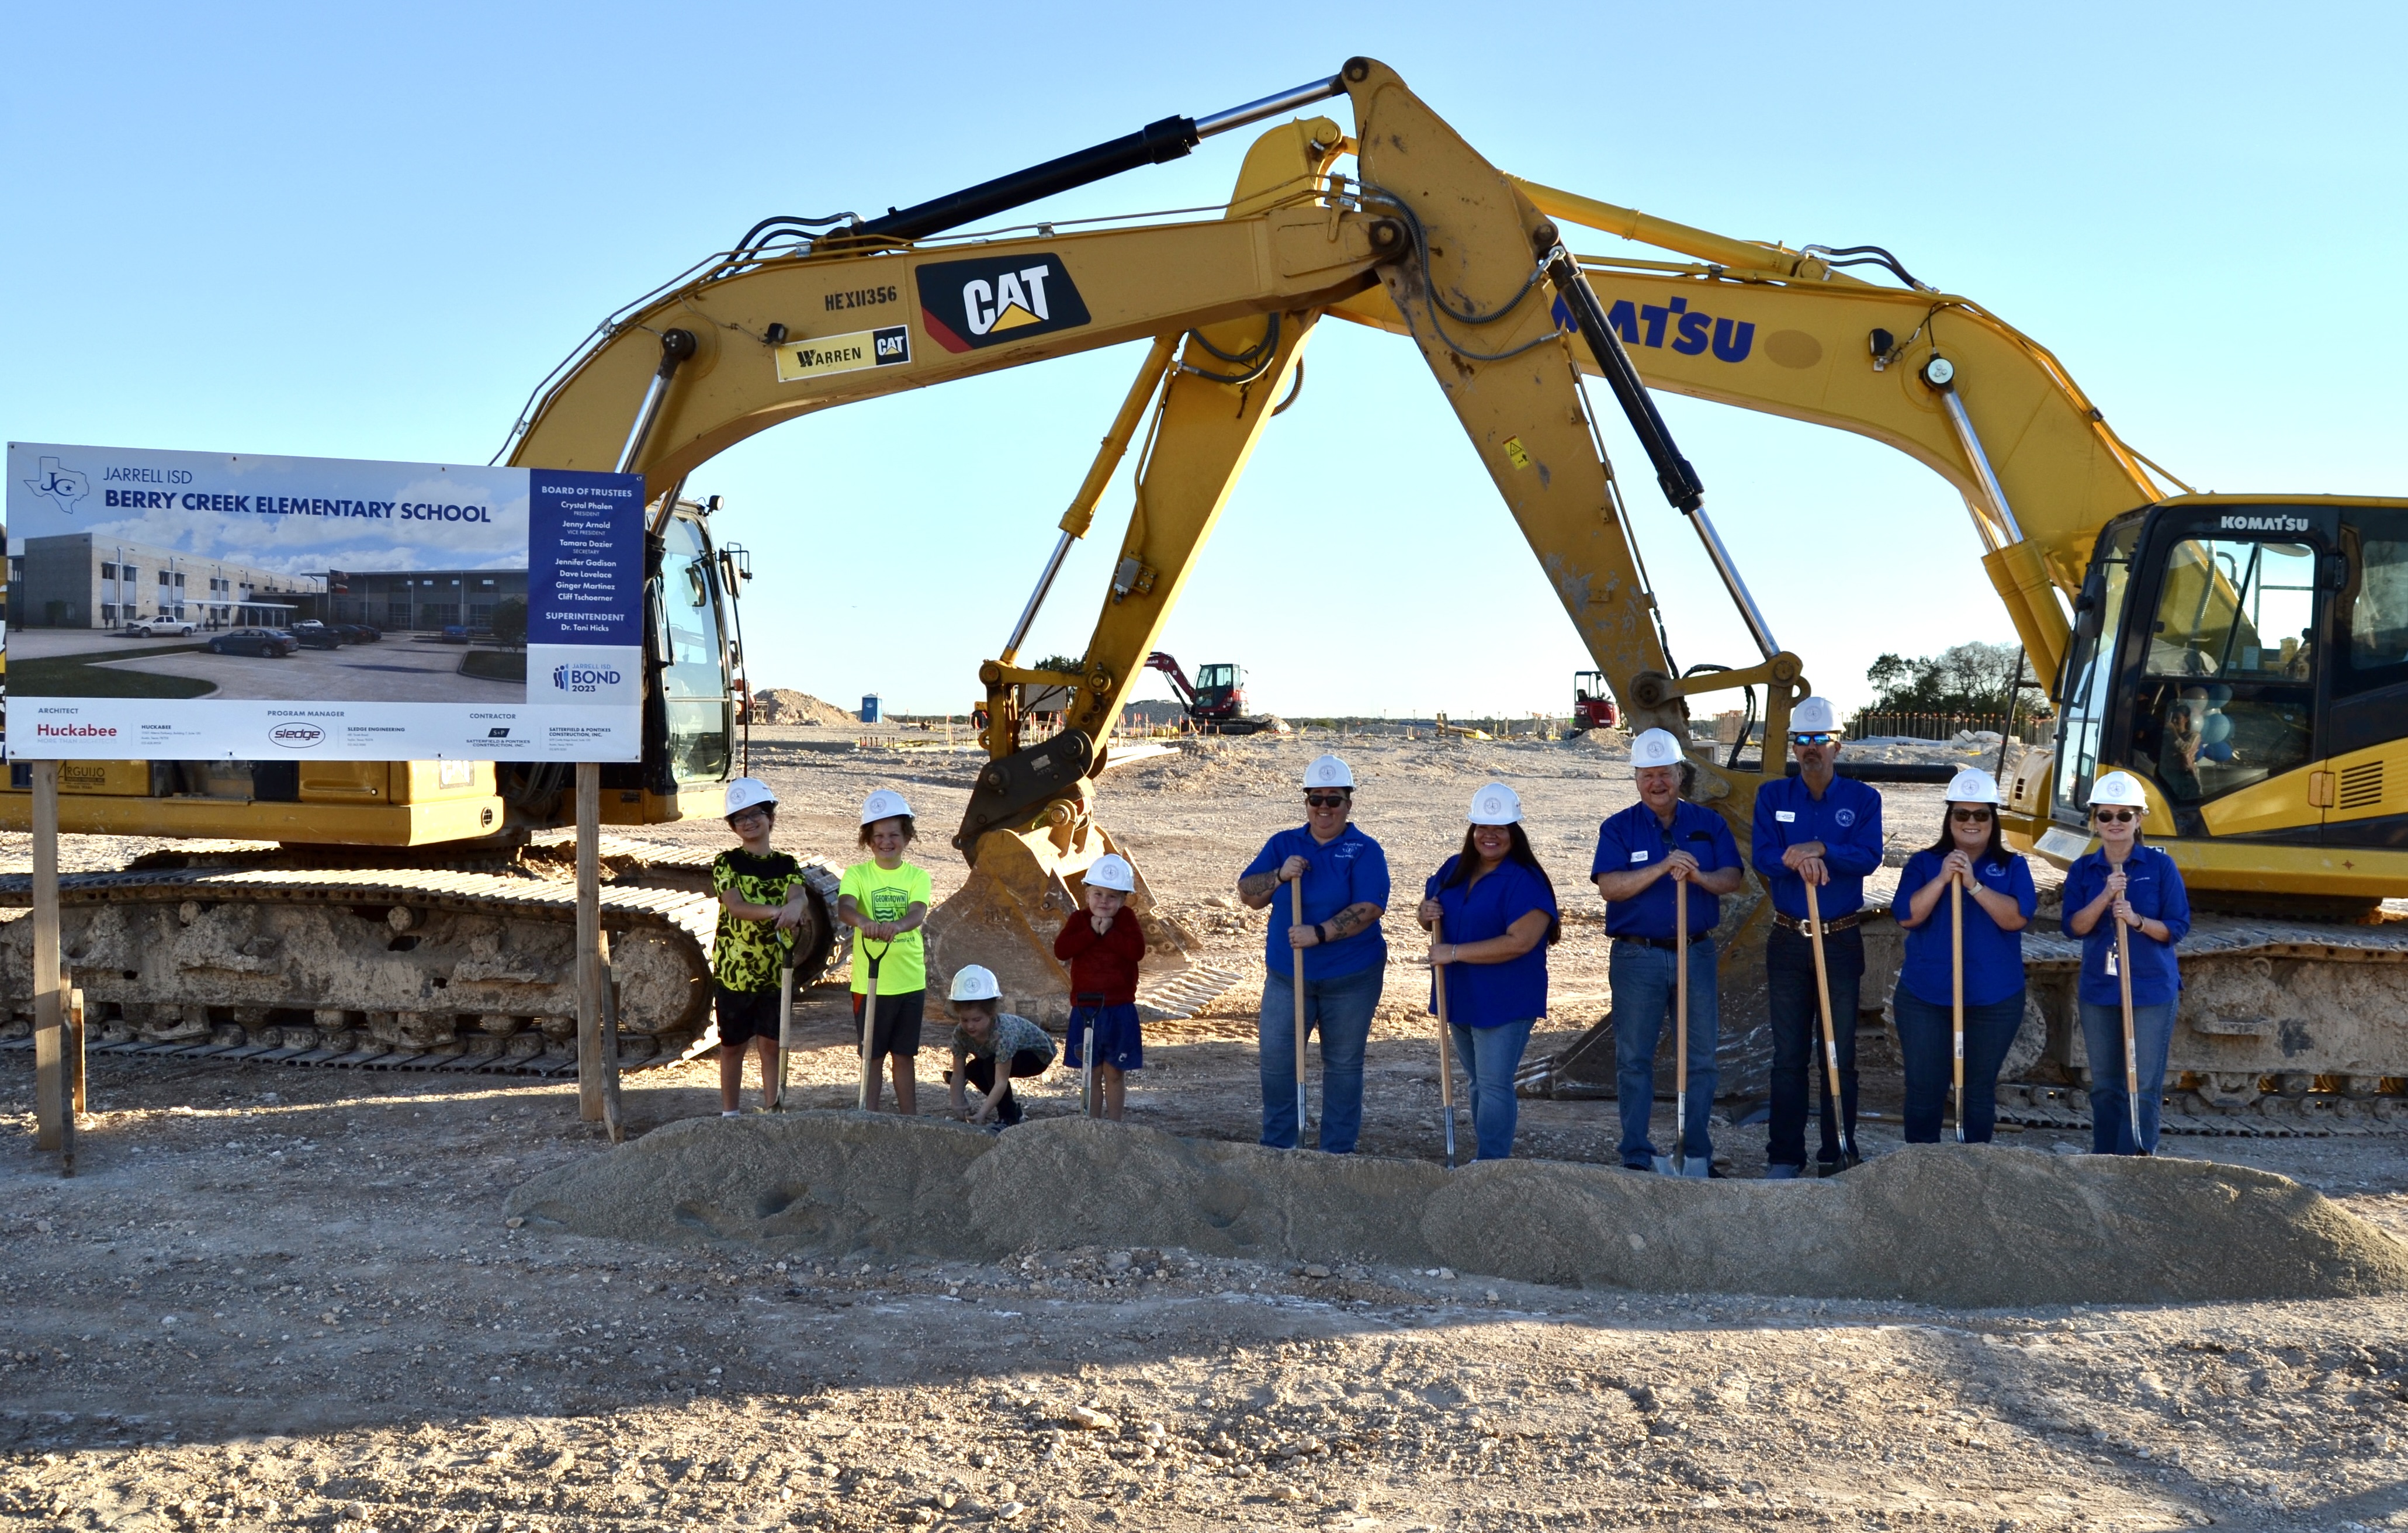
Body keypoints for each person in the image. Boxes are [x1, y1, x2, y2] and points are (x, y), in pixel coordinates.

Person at [1590, 729, 1744, 1172]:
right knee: (1634, 1058)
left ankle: (1694, 1151)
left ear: (1680, 774)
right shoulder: (1618, 827)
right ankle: (1637, 1152)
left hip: (1694, 953)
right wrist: (1661, 867)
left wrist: (1698, 877)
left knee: (1699, 1058)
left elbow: (1731, 878)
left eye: (1665, 774)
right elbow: (1610, 887)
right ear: (1636, 779)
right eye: (1648, 775)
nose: (1657, 782)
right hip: (1636, 957)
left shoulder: (1708, 823)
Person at [1752, 695, 1885, 1178]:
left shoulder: (1862, 799)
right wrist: (1794, 856)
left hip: (1839, 939)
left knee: (1838, 1051)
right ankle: (1784, 1156)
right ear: (1793, 746)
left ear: (1837, 745)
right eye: (1802, 740)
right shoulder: (1773, 797)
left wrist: (1821, 847)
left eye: (1820, 740)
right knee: (1787, 1055)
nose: (1811, 749)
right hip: (1789, 939)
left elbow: (1869, 856)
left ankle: (1837, 1152)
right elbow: (1762, 856)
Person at [1237, 754, 1389, 1153]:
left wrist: (1318, 933)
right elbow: (1248, 895)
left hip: (1351, 978)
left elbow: (1368, 909)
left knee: (1342, 1066)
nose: (1324, 807)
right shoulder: (1283, 844)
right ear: (1305, 802)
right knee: (1277, 1064)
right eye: (1315, 799)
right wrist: (1278, 875)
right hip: (1289, 978)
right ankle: (1278, 1146)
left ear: (1348, 804)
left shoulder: (1363, 849)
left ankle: (1337, 1153)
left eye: (1333, 800)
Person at [1889, 767, 2036, 1144]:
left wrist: (1973, 884)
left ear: (1993, 819)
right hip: (1927, 997)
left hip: (1994, 999)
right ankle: (1923, 1174)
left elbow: (2016, 918)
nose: (1971, 822)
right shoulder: (1924, 863)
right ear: (1949, 818)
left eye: (1981, 814)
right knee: (1924, 1091)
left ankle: (1974, 1180)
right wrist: (1942, 879)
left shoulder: (2012, 866)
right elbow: (1908, 916)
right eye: (1962, 814)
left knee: (1977, 1092)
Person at [1417, 782, 1561, 1161]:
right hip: (1460, 994)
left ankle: (1492, 1163)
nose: (1489, 835)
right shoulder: (1454, 868)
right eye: (1482, 827)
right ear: (1472, 830)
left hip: (1504, 998)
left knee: (1495, 1084)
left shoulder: (1525, 880)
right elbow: (1430, 910)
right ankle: (1486, 1157)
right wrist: (1424, 913)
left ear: (1515, 831)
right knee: (1478, 1082)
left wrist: (1452, 952)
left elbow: (1519, 941)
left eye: (1500, 828)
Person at [2062, 770, 2192, 1154]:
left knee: (2144, 1082)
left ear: (2139, 819)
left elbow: (2176, 927)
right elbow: (2074, 927)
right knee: (2105, 1084)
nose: (2114, 823)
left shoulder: (2159, 867)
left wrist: (2136, 920)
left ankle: (2135, 1157)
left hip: (2150, 988)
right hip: (2100, 990)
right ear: (2094, 820)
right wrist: (2104, 896)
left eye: (2124, 815)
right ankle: (2104, 1160)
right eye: (2105, 815)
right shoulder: (2083, 870)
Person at [709, 777, 813, 1117]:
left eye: (756, 814)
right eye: (740, 817)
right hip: (734, 973)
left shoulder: (787, 865)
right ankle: (730, 1114)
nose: (749, 822)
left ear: (771, 818)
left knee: (771, 1044)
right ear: (733, 826)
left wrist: (796, 906)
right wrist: (779, 912)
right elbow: (736, 906)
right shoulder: (726, 862)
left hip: (775, 971)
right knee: (732, 1046)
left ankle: (773, 1110)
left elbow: (798, 894)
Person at [836, 788, 932, 1115]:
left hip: (909, 982)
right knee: (872, 1057)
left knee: (904, 1056)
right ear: (868, 839)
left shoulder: (918, 877)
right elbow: (845, 908)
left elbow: (918, 912)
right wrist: (864, 922)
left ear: (907, 836)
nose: (886, 842)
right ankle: (870, 1117)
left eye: (894, 834)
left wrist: (897, 926)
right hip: (870, 984)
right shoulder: (857, 875)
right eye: (878, 835)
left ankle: (910, 1120)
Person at [1055, 852, 1146, 1120]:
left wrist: (1109, 933)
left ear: (1123, 899)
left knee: (1115, 1071)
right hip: (1085, 1008)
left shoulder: (1127, 920)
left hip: (1119, 1008)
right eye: (1098, 894)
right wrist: (1091, 932)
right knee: (1090, 1071)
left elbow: (1136, 951)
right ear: (1087, 895)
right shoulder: (1078, 920)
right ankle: (1092, 1124)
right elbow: (1062, 950)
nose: (1104, 902)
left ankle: (1115, 1125)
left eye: (1112, 897)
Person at [944, 964, 1056, 1129]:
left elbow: (1001, 1082)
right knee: (974, 1068)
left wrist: (983, 1113)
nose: (970, 1026)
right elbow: (959, 1074)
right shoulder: (960, 1034)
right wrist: (957, 1103)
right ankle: (1012, 1110)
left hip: (1036, 1056)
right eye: (964, 1020)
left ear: (991, 1014)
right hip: (998, 1055)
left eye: (977, 1020)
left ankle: (1008, 1117)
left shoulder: (1003, 1034)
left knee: (991, 1065)